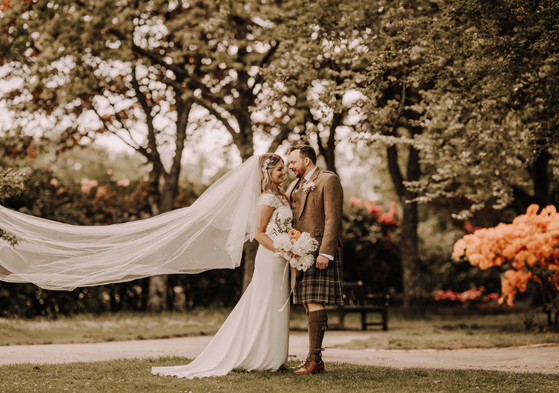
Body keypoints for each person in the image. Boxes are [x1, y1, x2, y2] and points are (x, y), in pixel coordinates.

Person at [286, 145, 344, 375]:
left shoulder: (328, 180)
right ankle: (314, 358)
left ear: (307, 161)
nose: (290, 166)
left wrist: (326, 252)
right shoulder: (293, 185)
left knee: (314, 300)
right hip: (299, 253)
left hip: (319, 251)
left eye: (292, 162)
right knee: (307, 303)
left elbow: (333, 218)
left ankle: (314, 359)